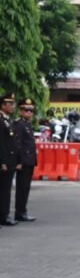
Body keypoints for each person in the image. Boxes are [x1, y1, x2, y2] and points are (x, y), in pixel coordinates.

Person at [13, 98, 37, 222]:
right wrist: (19, 162)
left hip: (29, 160)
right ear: (20, 111)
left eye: (30, 110)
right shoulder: (19, 124)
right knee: (22, 188)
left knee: (26, 187)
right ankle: (20, 212)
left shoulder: (27, 124)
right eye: (26, 110)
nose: (29, 113)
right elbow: (18, 145)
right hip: (23, 161)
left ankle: (23, 211)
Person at [0, 93, 20, 226]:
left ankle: (4, 215)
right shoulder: (1, 120)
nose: (12, 106)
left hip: (10, 160)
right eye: (9, 104)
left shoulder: (8, 120)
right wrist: (2, 162)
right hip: (4, 161)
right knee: (3, 190)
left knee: (6, 190)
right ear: (2, 105)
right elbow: (1, 143)